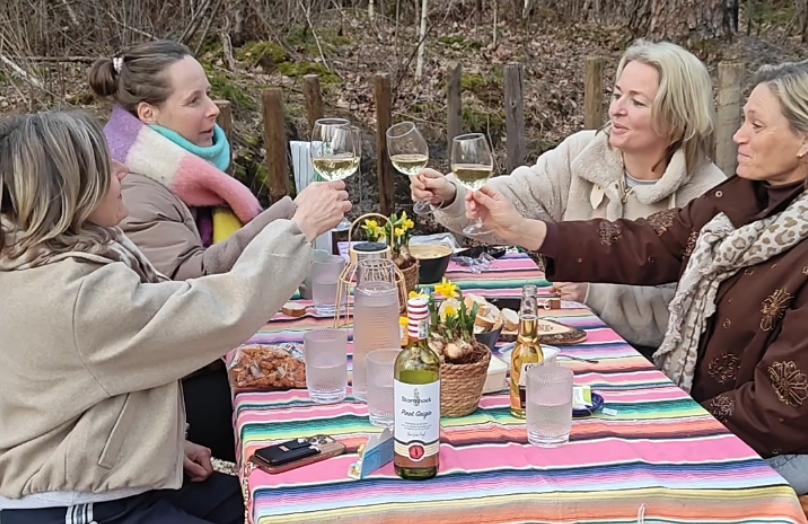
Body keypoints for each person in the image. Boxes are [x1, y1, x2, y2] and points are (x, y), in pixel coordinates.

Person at [463, 60, 808, 496]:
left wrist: (665, 425)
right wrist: (528, 231)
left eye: (756, 126)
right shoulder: (743, 198)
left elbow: (781, 408)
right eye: (743, 121)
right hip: (700, 410)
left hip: (769, 450)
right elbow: (648, 243)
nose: (738, 136)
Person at [0, 111, 350, 523]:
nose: (123, 169)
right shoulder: (73, 294)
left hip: (105, 481)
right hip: (77, 505)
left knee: (279, 504)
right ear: (71, 189)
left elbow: (71, 392)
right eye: (104, 166)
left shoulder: (43, 265)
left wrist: (151, 447)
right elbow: (216, 313)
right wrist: (298, 230)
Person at [412, 40, 726, 355]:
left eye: (637, 102)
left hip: (643, 358)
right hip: (560, 338)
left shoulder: (709, 196)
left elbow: (693, 315)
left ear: (677, 116)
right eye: (616, 95)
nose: (616, 109)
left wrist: (595, 294)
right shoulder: (583, 152)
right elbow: (518, 199)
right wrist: (453, 195)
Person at [88, 40, 293, 462]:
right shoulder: (134, 186)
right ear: (149, 114)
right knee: (305, 405)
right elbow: (185, 285)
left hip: (207, 356)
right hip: (177, 383)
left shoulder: (188, 173)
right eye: (194, 100)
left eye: (209, 94)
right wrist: (289, 224)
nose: (213, 109)